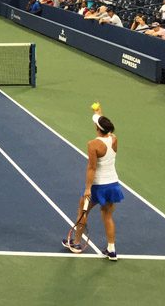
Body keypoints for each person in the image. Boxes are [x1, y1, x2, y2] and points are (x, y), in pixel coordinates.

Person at [63, 104, 123, 261]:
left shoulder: (93, 144)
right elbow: (102, 122)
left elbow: (92, 168)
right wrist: (98, 112)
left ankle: (76, 243)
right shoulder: (113, 138)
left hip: (97, 187)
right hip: (113, 185)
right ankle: (111, 250)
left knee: (82, 212)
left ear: (97, 127)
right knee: (108, 217)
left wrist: (88, 189)